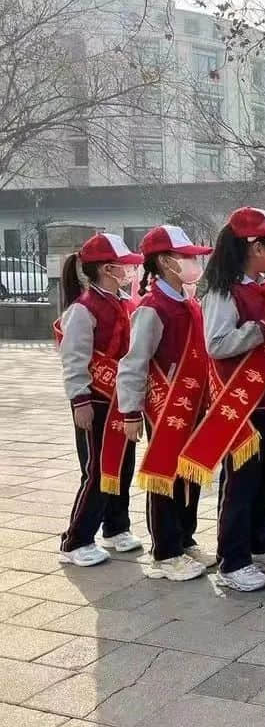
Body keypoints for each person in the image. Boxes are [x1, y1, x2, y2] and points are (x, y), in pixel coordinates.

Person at [186, 207, 265, 592]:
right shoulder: (223, 291)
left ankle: (259, 541)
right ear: (254, 247)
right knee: (241, 482)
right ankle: (232, 559)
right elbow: (216, 344)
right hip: (242, 405)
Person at [116, 226, 213, 581]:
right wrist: (130, 411)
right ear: (165, 261)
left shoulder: (188, 303)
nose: (192, 262)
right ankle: (165, 552)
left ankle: (185, 539)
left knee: (191, 473)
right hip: (166, 405)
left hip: (195, 404)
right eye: (185, 257)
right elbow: (134, 363)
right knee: (165, 476)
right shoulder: (152, 308)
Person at [55, 234, 145, 567]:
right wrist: (79, 400)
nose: (130, 270)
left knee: (122, 465)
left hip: (122, 400)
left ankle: (116, 526)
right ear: (108, 268)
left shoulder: (123, 302)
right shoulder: (83, 309)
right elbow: (74, 359)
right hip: (95, 401)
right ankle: (76, 540)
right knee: (96, 470)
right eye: (125, 265)